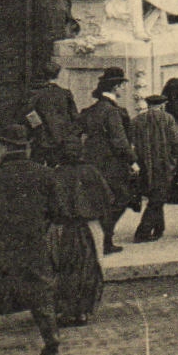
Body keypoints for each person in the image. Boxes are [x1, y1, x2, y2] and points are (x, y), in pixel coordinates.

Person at [0, 124, 63, 355]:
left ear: (4, 147)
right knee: (39, 289)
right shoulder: (45, 174)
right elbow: (57, 212)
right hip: (32, 242)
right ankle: (51, 338)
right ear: (27, 146)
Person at [49, 134, 110, 327]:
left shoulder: (56, 174)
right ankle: (83, 310)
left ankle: (65, 310)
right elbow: (107, 198)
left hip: (61, 227)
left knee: (62, 268)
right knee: (90, 266)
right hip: (90, 226)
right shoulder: (91, 172)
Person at [77, 67, 139, 254]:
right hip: (113, 164)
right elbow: (119, 141)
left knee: (102, 200)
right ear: (116, 87)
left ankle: (102, 240)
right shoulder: (112, 112)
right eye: (122, 85)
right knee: (121, 199)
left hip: (93, 162)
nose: (123, 89)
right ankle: (105, 240)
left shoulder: (90, 110)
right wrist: (132, 160)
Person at [130, 93, 178, 242]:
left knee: (156, 196)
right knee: (157, 198)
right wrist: (176, 160)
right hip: (163, 165)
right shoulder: (168, 118)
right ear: (162, 105)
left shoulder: (136, 120)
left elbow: (130, 143)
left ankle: (159, 228)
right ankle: (142, 232)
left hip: (144, 165)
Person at [23, 58, 80, 168]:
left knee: (37, 169)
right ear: (57, 76)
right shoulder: (65, 94)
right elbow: (75, 116)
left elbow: (30, 115)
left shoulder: (35, 94)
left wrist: (38, 131)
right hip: (62, 139)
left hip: (42, 140)